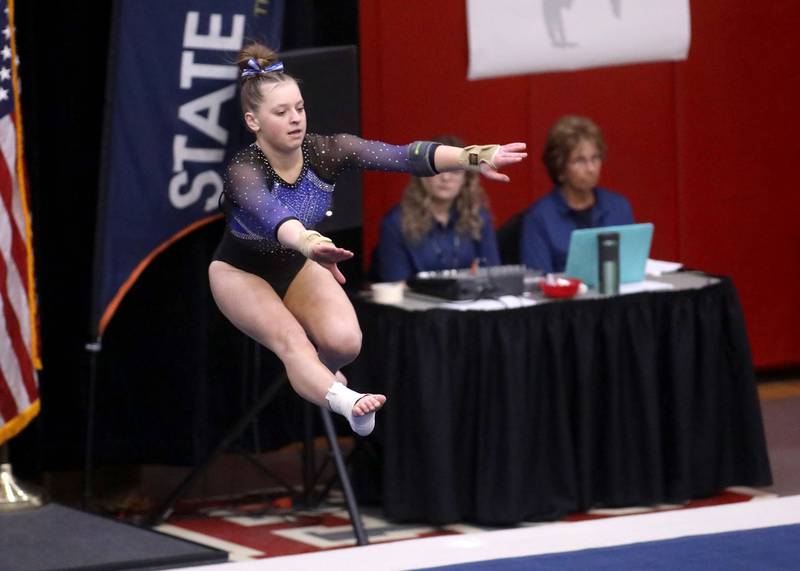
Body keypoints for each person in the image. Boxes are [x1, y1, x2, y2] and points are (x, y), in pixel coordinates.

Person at [208, 42, 527, 436]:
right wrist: (309, 243)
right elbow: (273, 217)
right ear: (253, 121)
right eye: (281, 112)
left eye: (300, 108)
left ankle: (315, 376)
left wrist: (471, 157)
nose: (295, 119)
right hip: (241, 272)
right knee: (292, 342)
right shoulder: (243, 171)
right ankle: (350, 404)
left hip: (298, 263)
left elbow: (402, 156)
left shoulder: (326, 151)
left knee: (345, 343)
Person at [373, 135, 501, 282]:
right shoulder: (395, 223)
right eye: (438, 169)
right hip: (418, 303)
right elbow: (395, 284)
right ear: (422, 174)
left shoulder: (479, 217)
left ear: (466, 179)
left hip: (473, 302)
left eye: (455, 170)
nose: (446, 178)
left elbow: (494, 276)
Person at [519, 115, 633, 273]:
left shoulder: (618, 207)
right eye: (580, 161)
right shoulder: (539, 218)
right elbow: (536, 283)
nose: (591, 169)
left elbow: (632, 267)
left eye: (595, 158)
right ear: (560, 169)